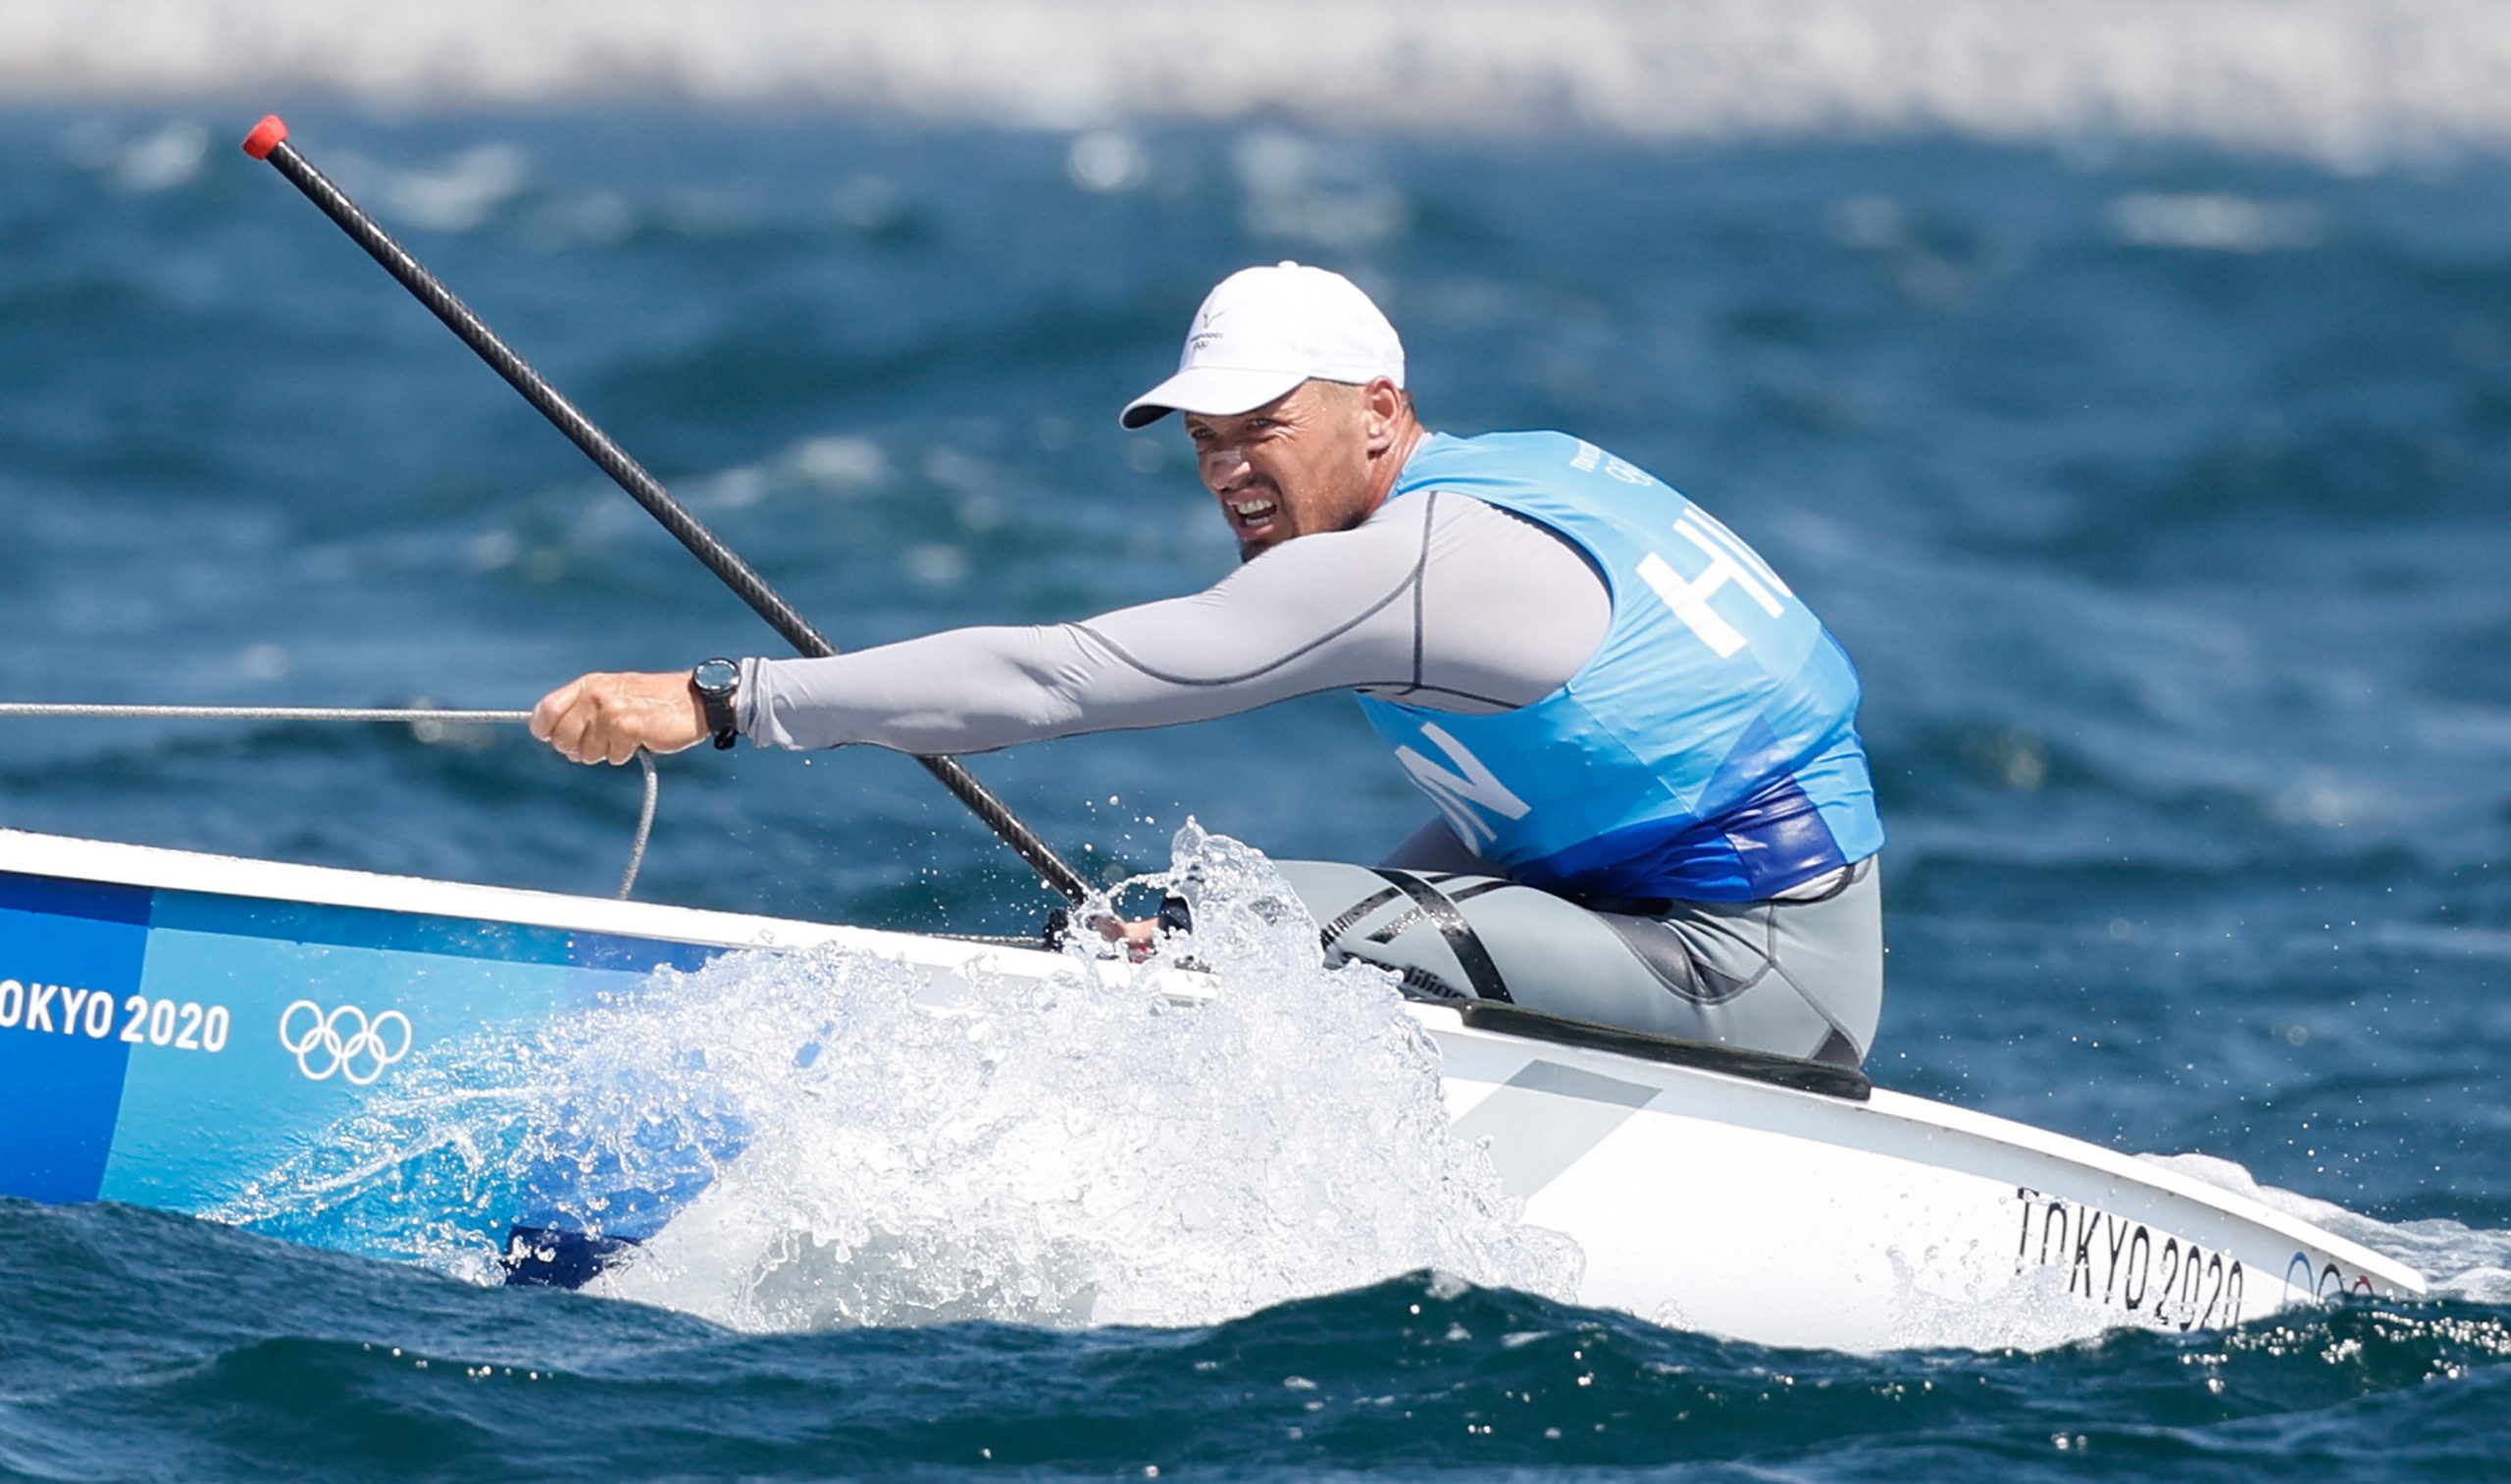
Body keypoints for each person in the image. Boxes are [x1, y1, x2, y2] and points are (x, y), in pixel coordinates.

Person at [531, 263, 1886, 1067]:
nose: (1230, 464)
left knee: (1214, 927)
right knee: (1214, 919)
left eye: (1264, 425)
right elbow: (1563, 805)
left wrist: (722, 701)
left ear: (1379, 411)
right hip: (1684, 925)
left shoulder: (1414, 561)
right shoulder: (1517, 478)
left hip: (1764, 979)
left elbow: (1060, 681)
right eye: (1202, 436)